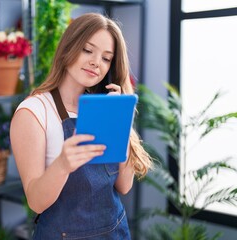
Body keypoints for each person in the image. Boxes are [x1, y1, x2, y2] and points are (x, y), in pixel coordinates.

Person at [10, 13, 152, 239]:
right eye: (88, 50)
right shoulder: (34, 112)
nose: (97, 62)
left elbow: (124, 186)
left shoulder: (104, 108)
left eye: (106, 58)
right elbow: (36, 202)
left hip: (115, 232)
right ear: (68, 48)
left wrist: (121, 122)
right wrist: (63, 164)